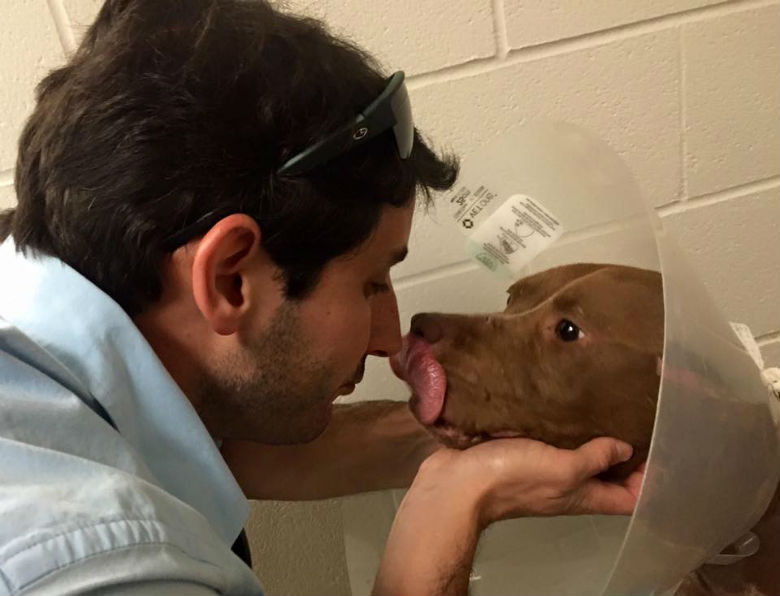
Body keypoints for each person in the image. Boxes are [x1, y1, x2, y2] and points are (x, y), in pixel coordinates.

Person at [0, 1, 643, 594]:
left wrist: (488, 436)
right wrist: (455, 503)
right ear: (229, 279)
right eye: (370, 283)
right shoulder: (95, 571)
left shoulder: (40, 291)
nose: (392, 338)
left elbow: (236, 446)